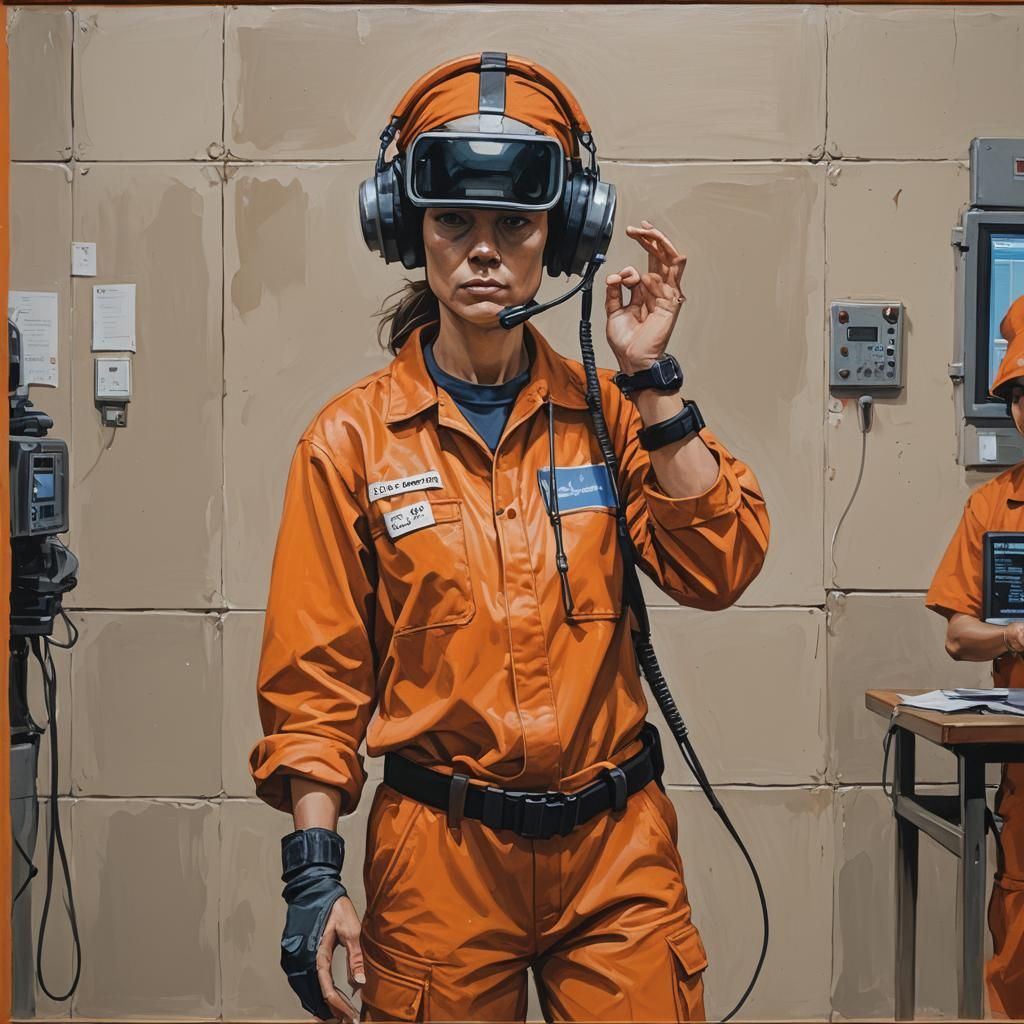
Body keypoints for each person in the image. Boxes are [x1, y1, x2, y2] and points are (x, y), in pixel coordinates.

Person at [250, 53, 770, 1023]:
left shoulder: (611, 413)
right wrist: (313, 875)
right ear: (409, 228)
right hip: (438, 859)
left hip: (615, 855)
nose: (482, 249)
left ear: (561, 233)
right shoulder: (348, 442)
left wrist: (651, 380)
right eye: (453, 220)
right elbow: (313, 685)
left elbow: (721, 563)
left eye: (513, 224)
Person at [927, 294, 1024, 1019]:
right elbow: (961, 634)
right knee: (1018, 939)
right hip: (1021, 765)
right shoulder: (994, 507)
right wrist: (1016, 635)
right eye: (1019, 395)